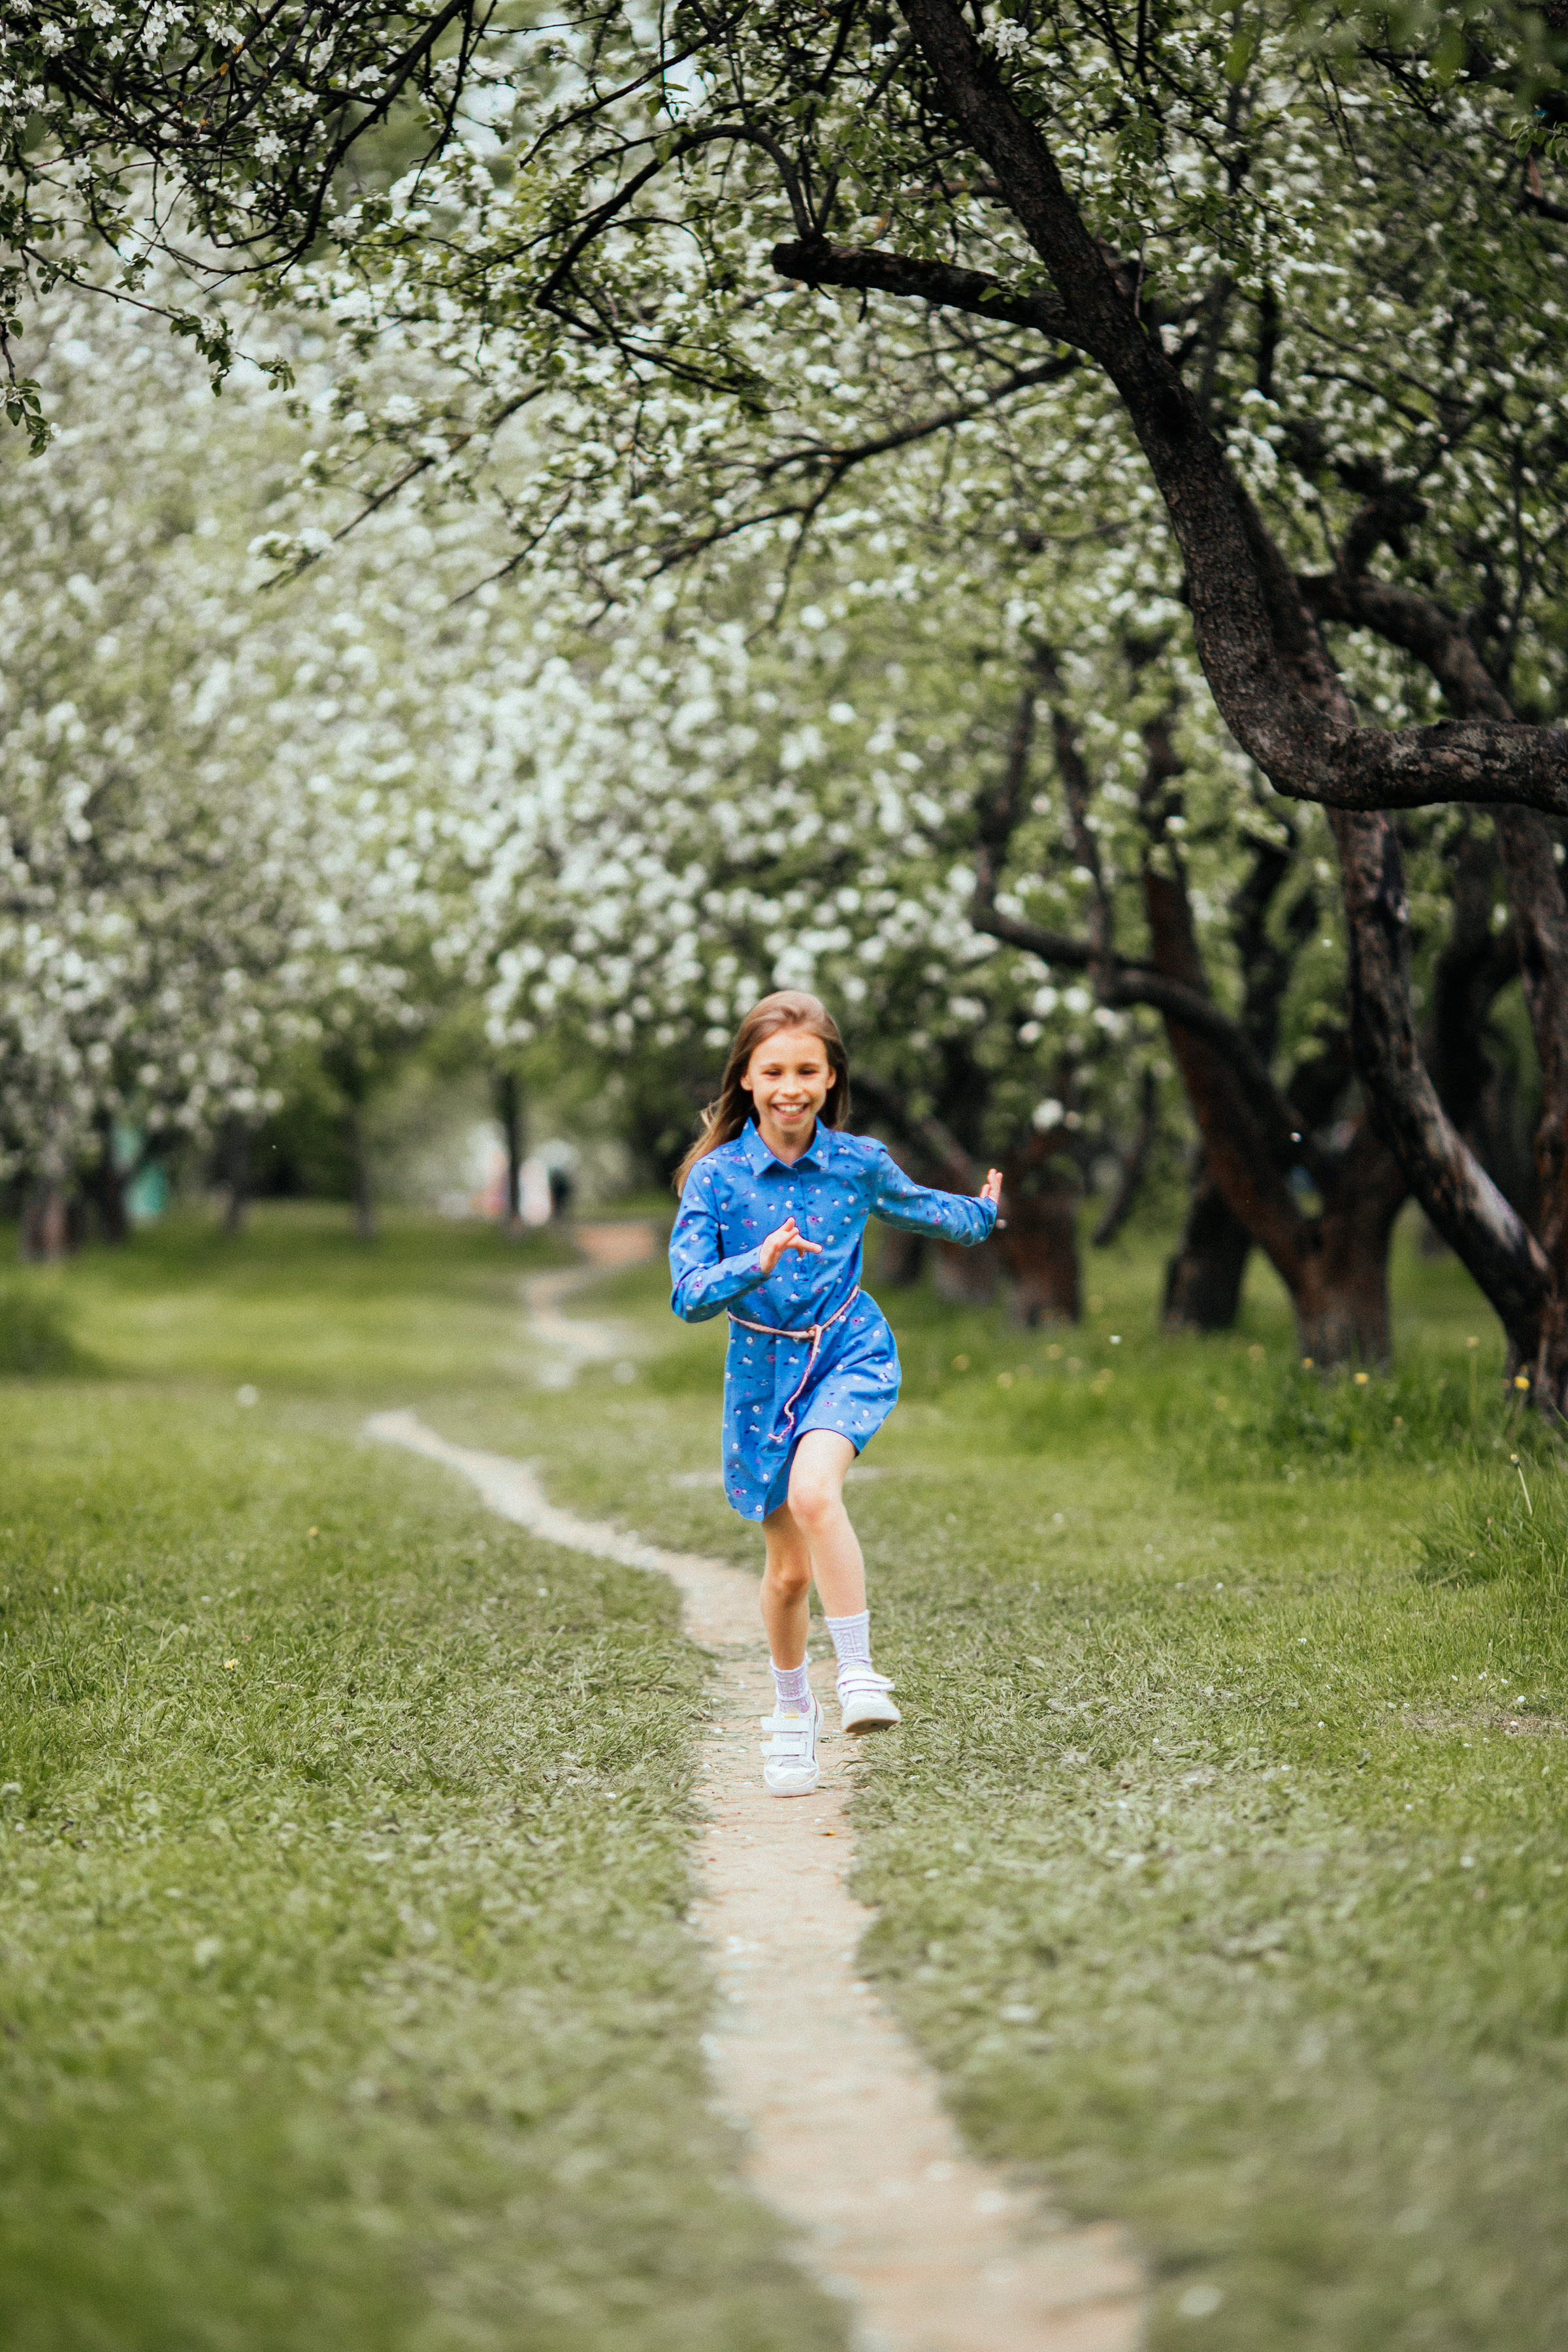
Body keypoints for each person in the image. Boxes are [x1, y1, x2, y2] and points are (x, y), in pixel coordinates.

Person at [669, 990, 1002, 1797]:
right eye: (773, 1070)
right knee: (787, 1575)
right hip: (762, 1375)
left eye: (807, 1070)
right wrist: (757, 1263)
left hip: (849, 1351)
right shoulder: (716, 1180)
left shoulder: (856, 1163)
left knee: (818, 1494)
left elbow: (920, 1210)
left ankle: (858, 1676)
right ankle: (791, 1713)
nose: (791, 1086)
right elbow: (687, 1294)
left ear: (830, 1078)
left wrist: (984, 1216)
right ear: (745, 1081)